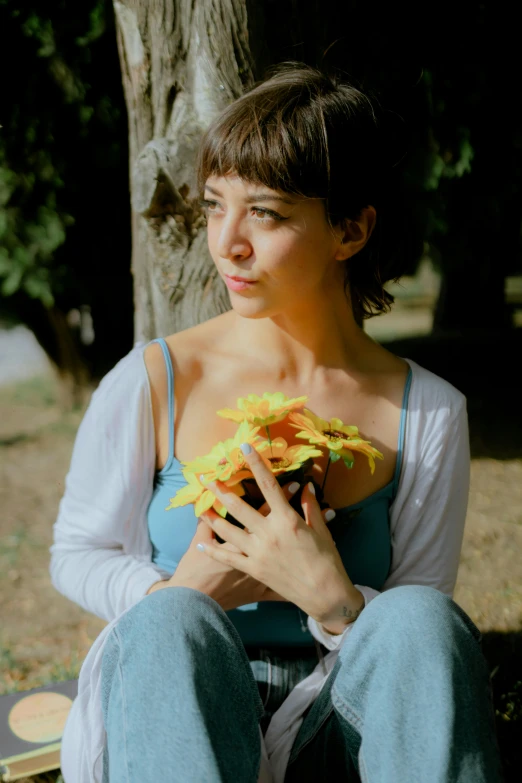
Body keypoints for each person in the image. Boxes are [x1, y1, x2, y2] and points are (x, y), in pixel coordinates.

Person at [50, 63, 502, 782]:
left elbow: (417, 651)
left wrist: (335, 598)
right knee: (167, 624)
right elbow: (76, 550)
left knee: (418, 617)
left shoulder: (429, 409)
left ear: (350, 230)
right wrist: (182, 588)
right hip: (178, 707)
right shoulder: (154, 378)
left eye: (265, 212)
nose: (227, 242)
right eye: (213, 205)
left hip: (333, 719)